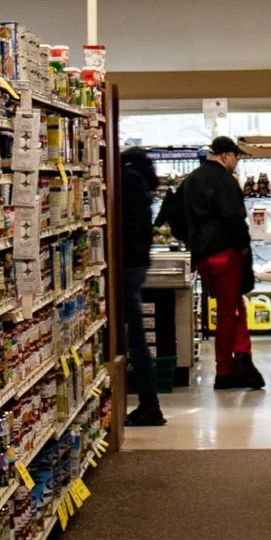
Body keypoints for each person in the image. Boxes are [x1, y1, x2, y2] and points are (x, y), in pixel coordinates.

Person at [184, 136, 263, 389]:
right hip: (224, 254)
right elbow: (234, 217)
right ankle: (224, 371)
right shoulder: (225, 181)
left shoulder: (191, 180)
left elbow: (179, 217)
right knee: (229, 313)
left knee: (233, 306)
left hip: (203, 257)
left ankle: (242, 356)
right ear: (226, 155)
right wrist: (241, 248)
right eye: (236, 157)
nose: (236, 163)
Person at [118, 146, 165, 426]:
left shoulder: (126, 182)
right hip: (136, 264)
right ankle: (148, 403)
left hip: (124, 266)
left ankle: (150, 405)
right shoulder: (142, 183)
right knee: (135, 337)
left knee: (135, 338)